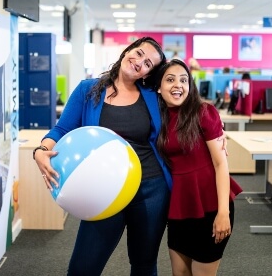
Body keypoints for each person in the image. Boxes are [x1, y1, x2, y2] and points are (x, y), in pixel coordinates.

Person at [33, 37, 172, 276]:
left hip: (150, 188)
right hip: (102, 189)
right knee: (83, 268)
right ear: (127, 50)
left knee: (144, 263)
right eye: (138, 53)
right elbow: (62, 129)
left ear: (149, 73)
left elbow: (186, 112)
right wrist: (41, 151)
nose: (139, 62)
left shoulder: (153, 96)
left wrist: (214, 133)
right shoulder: (88, 90)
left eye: (148, 63)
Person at [155, 59, 242, 276]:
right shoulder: (158, 117)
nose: (178, 85)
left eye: (184, 80)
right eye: (170, 79)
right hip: (180, 206)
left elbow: (221, 163)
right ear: (158, 86)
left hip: (211, 205)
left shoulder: (203, 112)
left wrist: (223, 213)